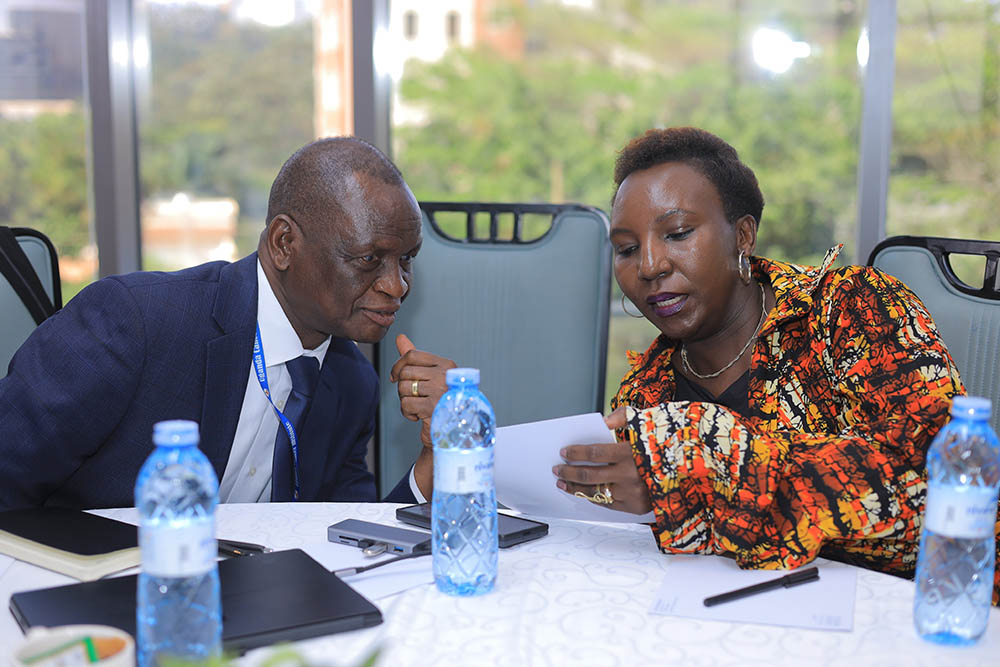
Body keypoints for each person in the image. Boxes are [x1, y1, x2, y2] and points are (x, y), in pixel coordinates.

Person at [547, 127, 1000, 602]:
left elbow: (945, 479)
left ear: (743, 235)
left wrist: (707, 460)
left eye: (677, 233)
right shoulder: (645, 394)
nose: (650, 265)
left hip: (913, 615)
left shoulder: (850, 309)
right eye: (627, 248)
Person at [0, 137, 431, 509]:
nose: (396, 286)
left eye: (406, 259)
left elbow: (345, 543)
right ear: (284, 243)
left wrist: (437, 460)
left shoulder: (351, 383)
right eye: (369, 259)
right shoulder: (137, 322)